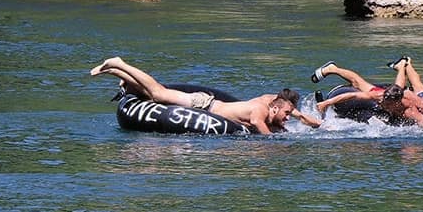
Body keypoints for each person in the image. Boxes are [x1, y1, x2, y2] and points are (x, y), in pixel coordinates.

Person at [91, 56, 320, 134]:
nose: (288, 117)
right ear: (275, 107)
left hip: (208, 105)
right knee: (158, 93)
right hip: (202, 105)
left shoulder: (271, 100)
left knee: (157, 94)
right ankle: (120, 64)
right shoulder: (260, 111)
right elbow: (265, 137)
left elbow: (290, 109)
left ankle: (122, 76)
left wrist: (306, 119)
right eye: (286, 114)